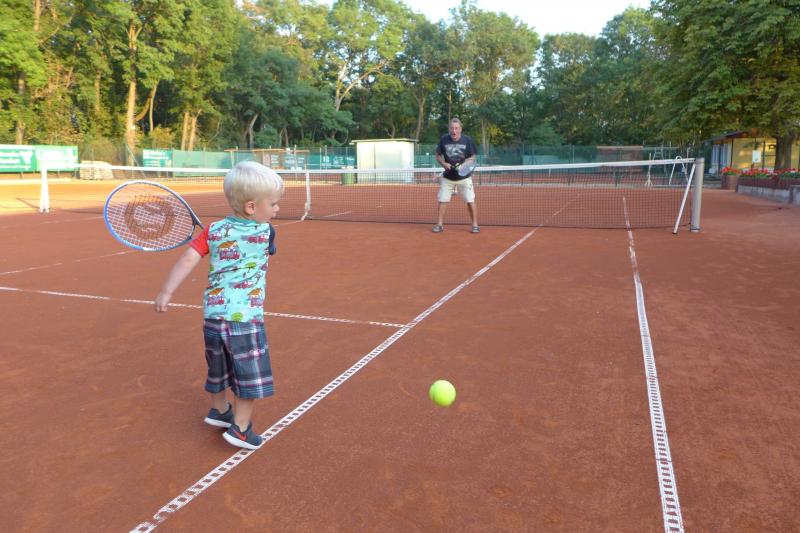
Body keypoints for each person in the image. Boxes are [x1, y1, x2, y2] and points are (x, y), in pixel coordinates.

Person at [154, 161, 283, 450]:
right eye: (273, 204)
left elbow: (188, 259)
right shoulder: (267, 232)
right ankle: (241, 428)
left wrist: (166, 291)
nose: (277, 209)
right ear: (251, 206)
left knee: (218, 366)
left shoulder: (213, 231)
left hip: (213, 316)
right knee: (248, 375)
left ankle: (220, 409)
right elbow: (268, 249)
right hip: (245, 319)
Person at [433, 117, 479, 233]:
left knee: (470, 200)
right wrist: (444, 164)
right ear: (449, 129)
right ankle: (439, 224)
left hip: (464, 177)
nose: (454, 131)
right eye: (452, 128)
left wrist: (464, 165)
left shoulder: (467, 140)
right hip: (448, 177)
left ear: (460, 129)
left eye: (457, 128)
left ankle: (475, 225)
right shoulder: (444, 139)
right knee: (442, 200)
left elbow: (473, 157)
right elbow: (437, 156)